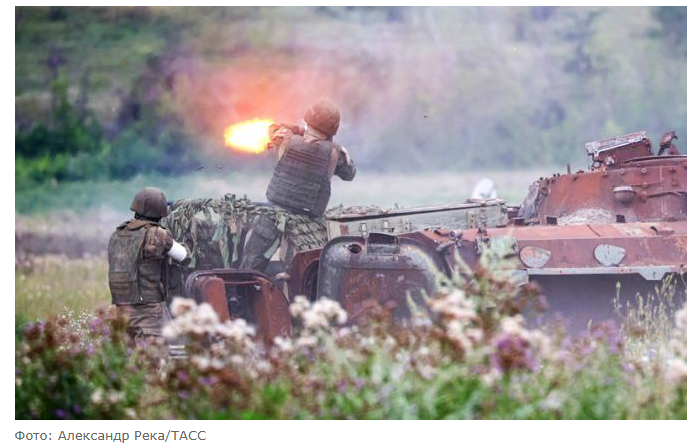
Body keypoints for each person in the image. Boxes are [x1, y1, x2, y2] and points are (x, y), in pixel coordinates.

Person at [240, 100, 356, 272]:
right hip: (307, 224)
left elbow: (274, 130)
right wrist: (344, 153)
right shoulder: (335, 152)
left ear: (308, 119)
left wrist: (296, 130)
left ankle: (243, 287)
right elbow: (349, 174)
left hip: (273, 215)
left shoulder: (286, 139)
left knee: (250, 267)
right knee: (303, 273)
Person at [108, 187, 190, 343]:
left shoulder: (118, 233)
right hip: (149, 309)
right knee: (160, 350)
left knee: (129, 352)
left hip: (121, 307)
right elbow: (184, 256)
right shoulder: (158, 233)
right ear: (160, 212)